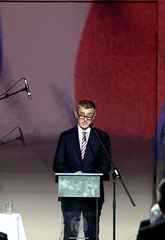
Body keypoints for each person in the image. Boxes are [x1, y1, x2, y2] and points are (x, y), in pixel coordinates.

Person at [53, 100, 111, 240]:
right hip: (70, 193)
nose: (85, 119)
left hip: (93, 194)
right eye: (82, 115)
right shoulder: (66, 136)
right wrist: (74, 175)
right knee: (70, 232)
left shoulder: (101, 137)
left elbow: (106, 166)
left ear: (94, 116)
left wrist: (87, 176)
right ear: (76, 114)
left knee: (91, 233)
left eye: (89, 116)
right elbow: (57, 164)